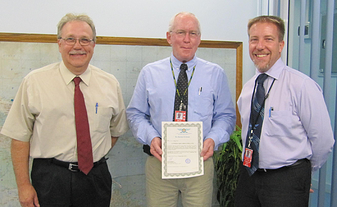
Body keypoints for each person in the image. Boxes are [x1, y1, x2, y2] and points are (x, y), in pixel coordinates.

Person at [0, 13, 129, 207]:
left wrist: (90, 154)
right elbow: (19, 137)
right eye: (70, 39)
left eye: (85, 39)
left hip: (95, 178)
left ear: (94, 44)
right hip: (50, 178)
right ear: (59, 43)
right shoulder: (34, 82)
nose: (78, 46)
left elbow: (115, 131)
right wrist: (23, 185)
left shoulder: (110, 84)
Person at [126, 12, 236, 207]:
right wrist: (152, 137)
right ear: (169, 37)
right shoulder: (150, 73)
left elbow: (226, 116)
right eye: (181, 32)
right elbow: (135, 113)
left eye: (193, 33)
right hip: (159, 164)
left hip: (200, 165)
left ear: (199, 39)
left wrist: (213, 138)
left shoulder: (215, 74)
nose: (187, 39)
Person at [235, 15, 335, 207]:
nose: (260, 46)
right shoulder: (248, 89)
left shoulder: (302, 86)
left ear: (281, 45)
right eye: (254, 39)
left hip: (286, 180)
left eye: (268, 39)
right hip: (248, 178)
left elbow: (323, 140)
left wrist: (302, 174)